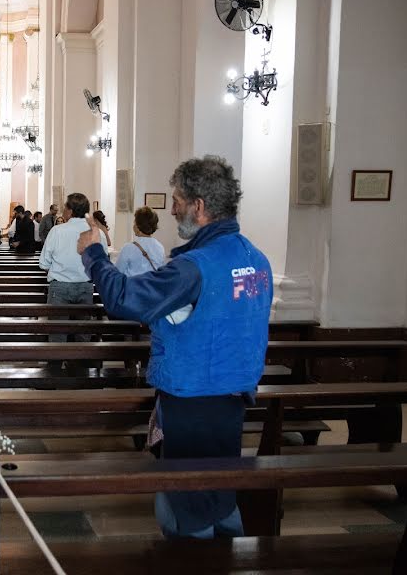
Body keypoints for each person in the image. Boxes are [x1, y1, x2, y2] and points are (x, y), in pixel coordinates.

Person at [77, 155, 273, 539]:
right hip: (234, 395)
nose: (172, 208)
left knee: (186, 501)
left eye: (178, 200)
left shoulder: (194, 267)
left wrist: (95, 254)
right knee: (219, 487)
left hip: (193, 397)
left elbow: (124, 298)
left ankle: (194, 555)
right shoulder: (256, 259)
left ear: (199, 206)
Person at [39, 193, 106, 344]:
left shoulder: (57, 231)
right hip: (86, 286)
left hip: (59, 287)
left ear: (70, 211)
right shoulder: (97, 233)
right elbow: (103, 260)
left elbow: (44, 263)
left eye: (64, 208)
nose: (63, 212)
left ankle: (55, 365)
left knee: (58, 332)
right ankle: (81, 364)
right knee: (83, 332)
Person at [115, 207, 165, 277]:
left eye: (134, 222)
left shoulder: (128, 248)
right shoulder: (160, 247)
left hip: (133, 286)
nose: (133, 225)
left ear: (138, 226)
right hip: (151, 287)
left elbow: (118, 271)